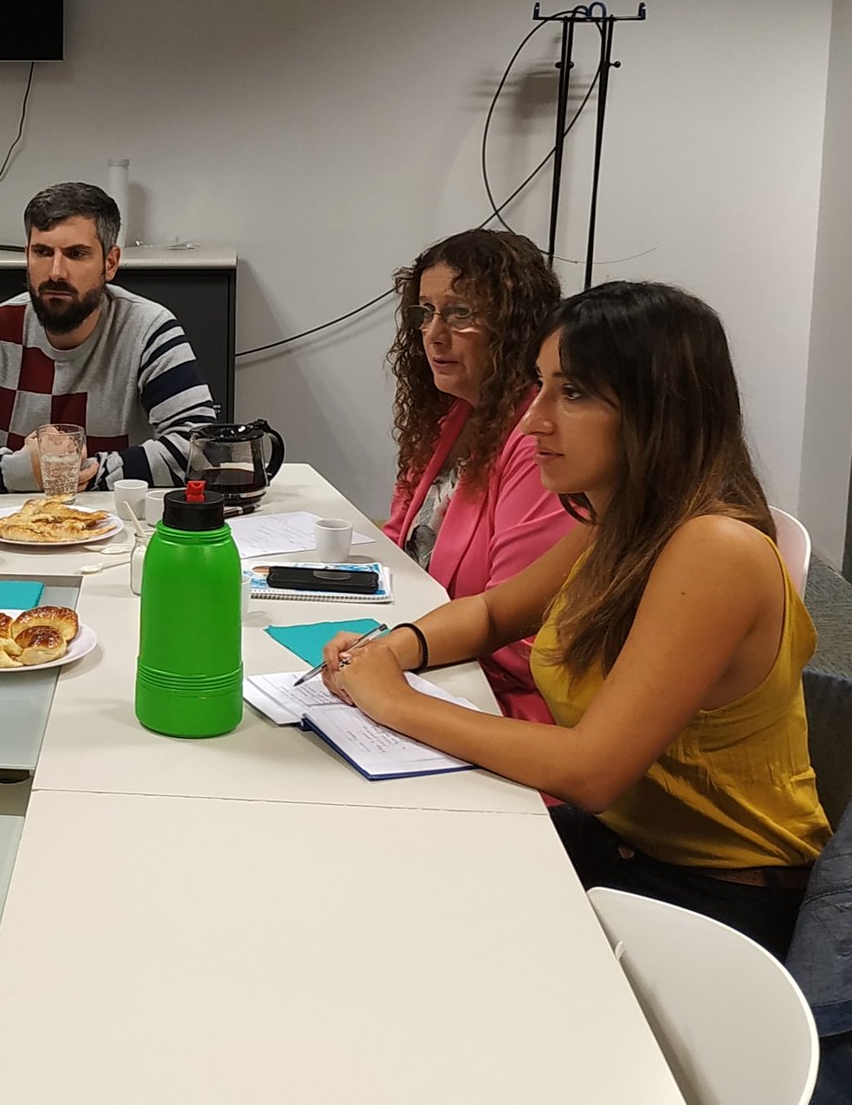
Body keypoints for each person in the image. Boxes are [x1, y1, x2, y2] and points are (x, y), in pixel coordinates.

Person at [322, 282, 830, 956]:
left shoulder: (714, 548)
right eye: (540, 386)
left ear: (659, 408)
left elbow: (592, 768)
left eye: (574, 392)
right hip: (621, 844)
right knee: (387, 878)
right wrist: (394, 650)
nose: (534, 420)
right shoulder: (624, 514)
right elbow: (497, 609)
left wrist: (393, 703)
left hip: (716, 892)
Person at [380, 229, 574, 722]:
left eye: (460, 313)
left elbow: (517, 638)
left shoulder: (540, 441)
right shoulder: (454, 415)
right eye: (426, 313)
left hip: (493, 696)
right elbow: (396, 544)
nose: (433, 334)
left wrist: (396, 655)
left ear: (514, 326)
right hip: (427, 654)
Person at [0, 182, 215, 493]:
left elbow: (199, 447)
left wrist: (72, 473)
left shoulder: (148, 330)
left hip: (116, 527)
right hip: (14, 521)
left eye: (76, 254)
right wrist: (16, 471)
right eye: (42, 252)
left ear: (109, 263)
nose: (56, 272)